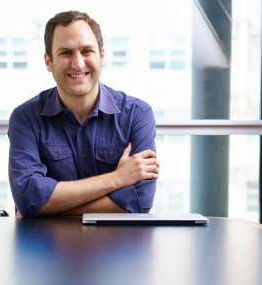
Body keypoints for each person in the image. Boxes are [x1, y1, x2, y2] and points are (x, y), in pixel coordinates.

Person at [8, 10, 159, 217]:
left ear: (101, 56)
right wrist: (117, 178)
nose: (78, 64)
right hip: (46, 248)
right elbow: (29, 197)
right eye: (66, 52)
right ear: (48, 61)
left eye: (87, 51)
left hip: (118, 247)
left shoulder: (137, 115)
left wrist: (46, 208)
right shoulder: (25, 118)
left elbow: (139, 201)